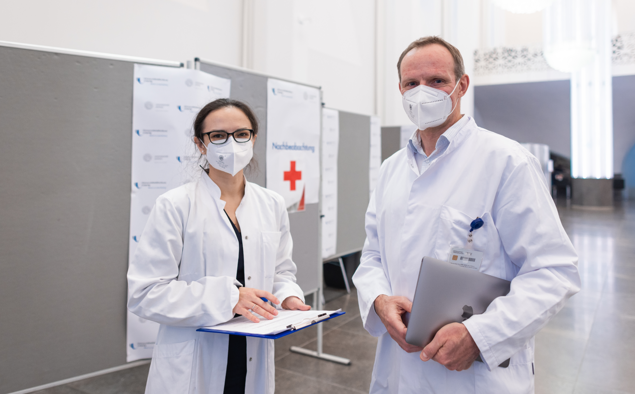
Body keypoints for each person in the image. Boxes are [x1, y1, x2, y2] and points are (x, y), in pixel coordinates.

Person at [352, 36, 581, 393]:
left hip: (474, 376)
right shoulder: (390, 170)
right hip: (397, 365)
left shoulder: (506, 162)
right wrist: (379, 300)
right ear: (400, 88)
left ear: (462, 86)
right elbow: (373, 255)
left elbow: (554, 270)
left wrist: (480, 335)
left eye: (437, 81)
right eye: (412, 84)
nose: (422, 92)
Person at [127, 98, 310, 394]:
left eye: (241, 134)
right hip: (195, 356)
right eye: (218, 136)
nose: (231, 144)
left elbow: (281, 272)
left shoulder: (272, 204)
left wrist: (288, 297)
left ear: (253, 138)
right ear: (201, 144)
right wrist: (227, 297)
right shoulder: (175, 205)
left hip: (252, 347)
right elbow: (145, 294)